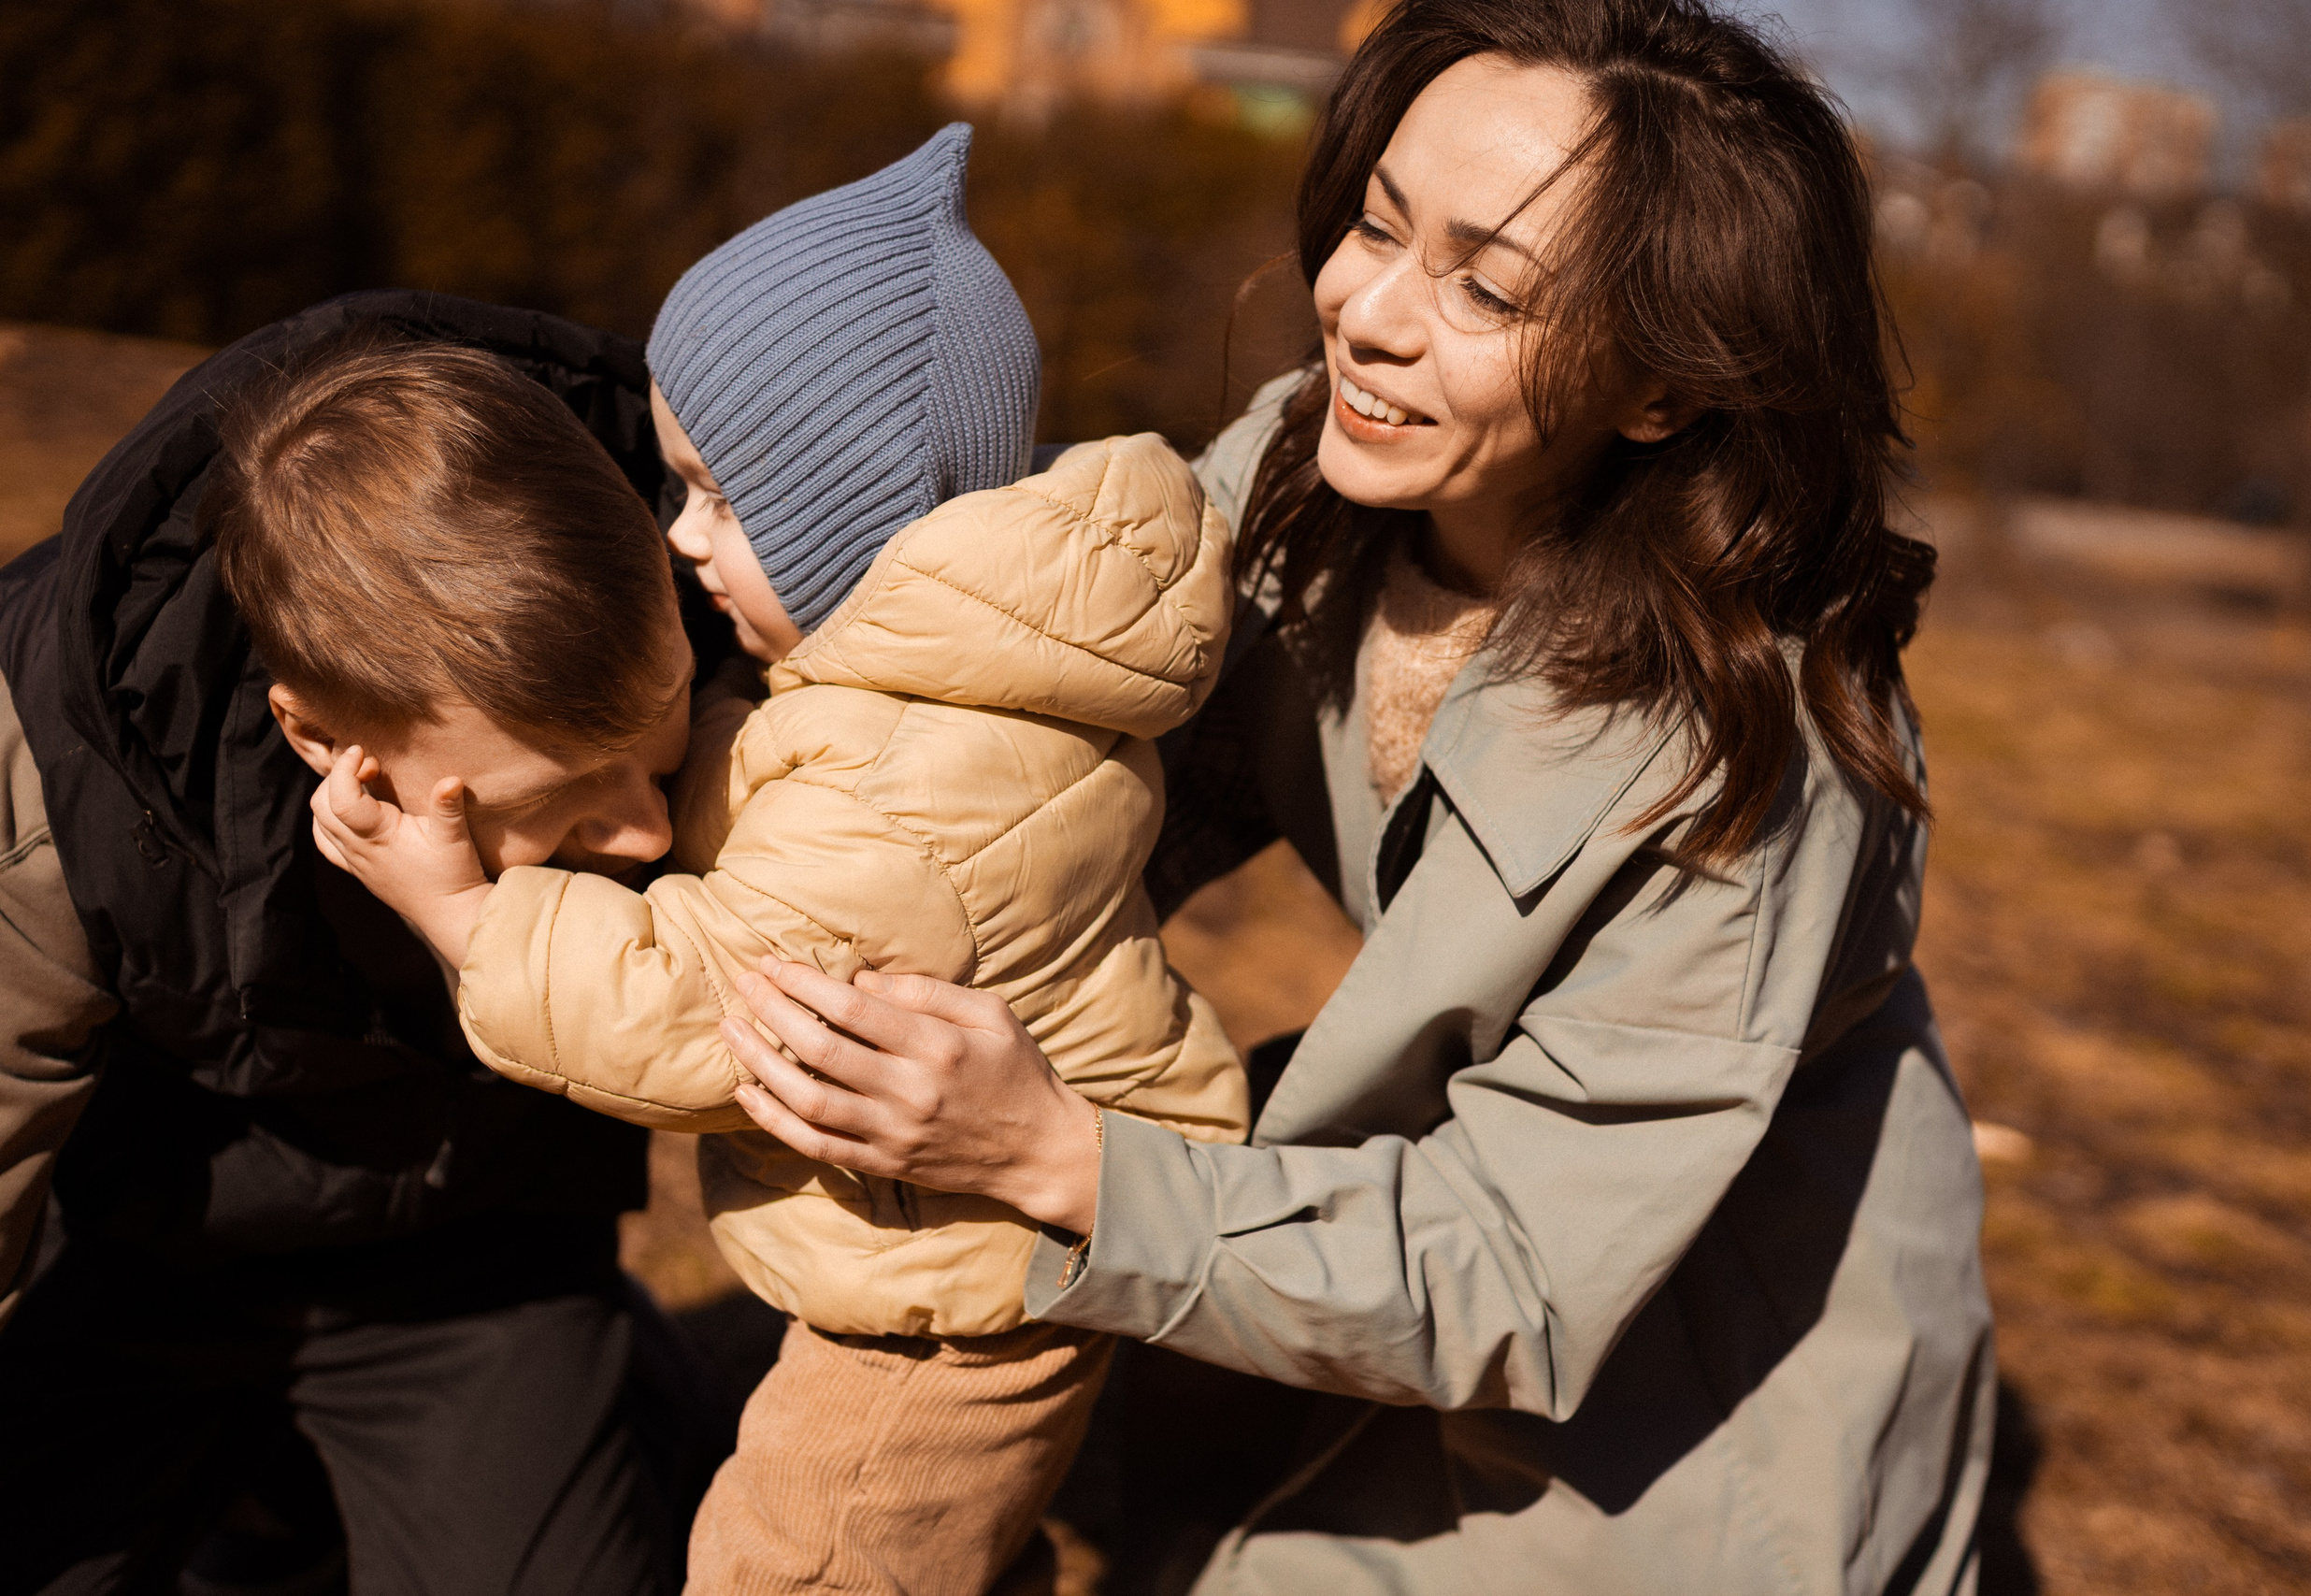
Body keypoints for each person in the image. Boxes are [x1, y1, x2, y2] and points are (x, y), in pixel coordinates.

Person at [713, 1, 1998, 1590]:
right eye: (1378, 226)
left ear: (1663, 390)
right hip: (1405, 1194)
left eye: (1487, 288)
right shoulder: (1307, 470)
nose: (1365, 314)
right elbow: (1049, 743)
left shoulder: (1746, 761)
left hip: (1697, 1353)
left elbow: (1521, 1272)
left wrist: (1057, 1156)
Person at [309, 127, 1249, 1596]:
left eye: (722, 499)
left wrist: (465, 914)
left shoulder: (907, 783)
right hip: (959, 1261)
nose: (681, 537)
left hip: (943, 1315)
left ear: (851, 522)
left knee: (795, 1564)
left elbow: (703, 1013)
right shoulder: (958, 683)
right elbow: (784, 796)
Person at [0, 292, 728, 1595]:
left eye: (661, 724)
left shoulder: (723, 572)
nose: (648, 829)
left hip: (482, 1250)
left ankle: (622, 1397)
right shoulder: (42, 780)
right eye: (560, 795)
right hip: (131, 1252)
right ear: (321, 736)